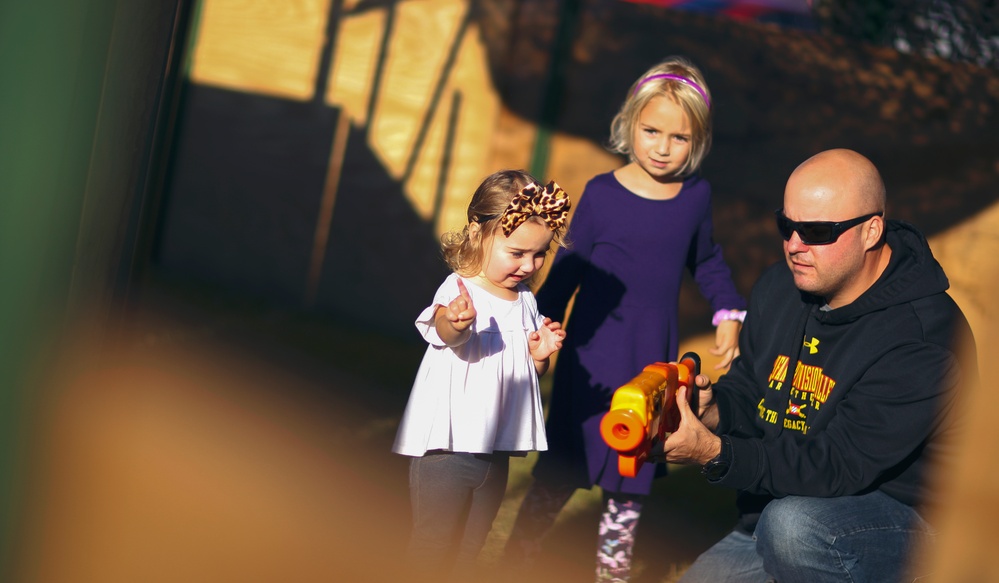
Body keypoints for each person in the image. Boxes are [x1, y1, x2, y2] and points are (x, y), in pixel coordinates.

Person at [663, 148, 978, 582]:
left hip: (909, 526)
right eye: (786, 225)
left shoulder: (924, 335)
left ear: (871, 231)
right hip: (787, 512)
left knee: (794, 529)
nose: (794, 245)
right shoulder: (780, 286)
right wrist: (710, 409)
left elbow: (839, 464)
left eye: (815, 231)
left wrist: (713, 452)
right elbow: (753, 390)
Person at [504, 56, 747, 582]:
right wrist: (535, 327)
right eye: (651, 130)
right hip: (590, 364)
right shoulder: (601, 193)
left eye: (679, 137)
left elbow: (706, 260)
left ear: (698, 140)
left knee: (629, 480)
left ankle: (610, 574)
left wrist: (728, 310)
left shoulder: (695, 198)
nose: (663, 146)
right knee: (560, 470)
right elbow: (568, 270)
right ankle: (514, 559)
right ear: (629, 124)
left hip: (649, 364)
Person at [392, 169, 572, 581]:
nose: (529, 265)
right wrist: (457, 323)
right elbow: (444, 333)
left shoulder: (525, 299)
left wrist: (540, 356)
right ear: (478, 234)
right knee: (433, 543)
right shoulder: (461, 288)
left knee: (470, 547)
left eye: (540, 253)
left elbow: (527, 369)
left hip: (496, 450)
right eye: (517, 253)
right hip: (448, 447)